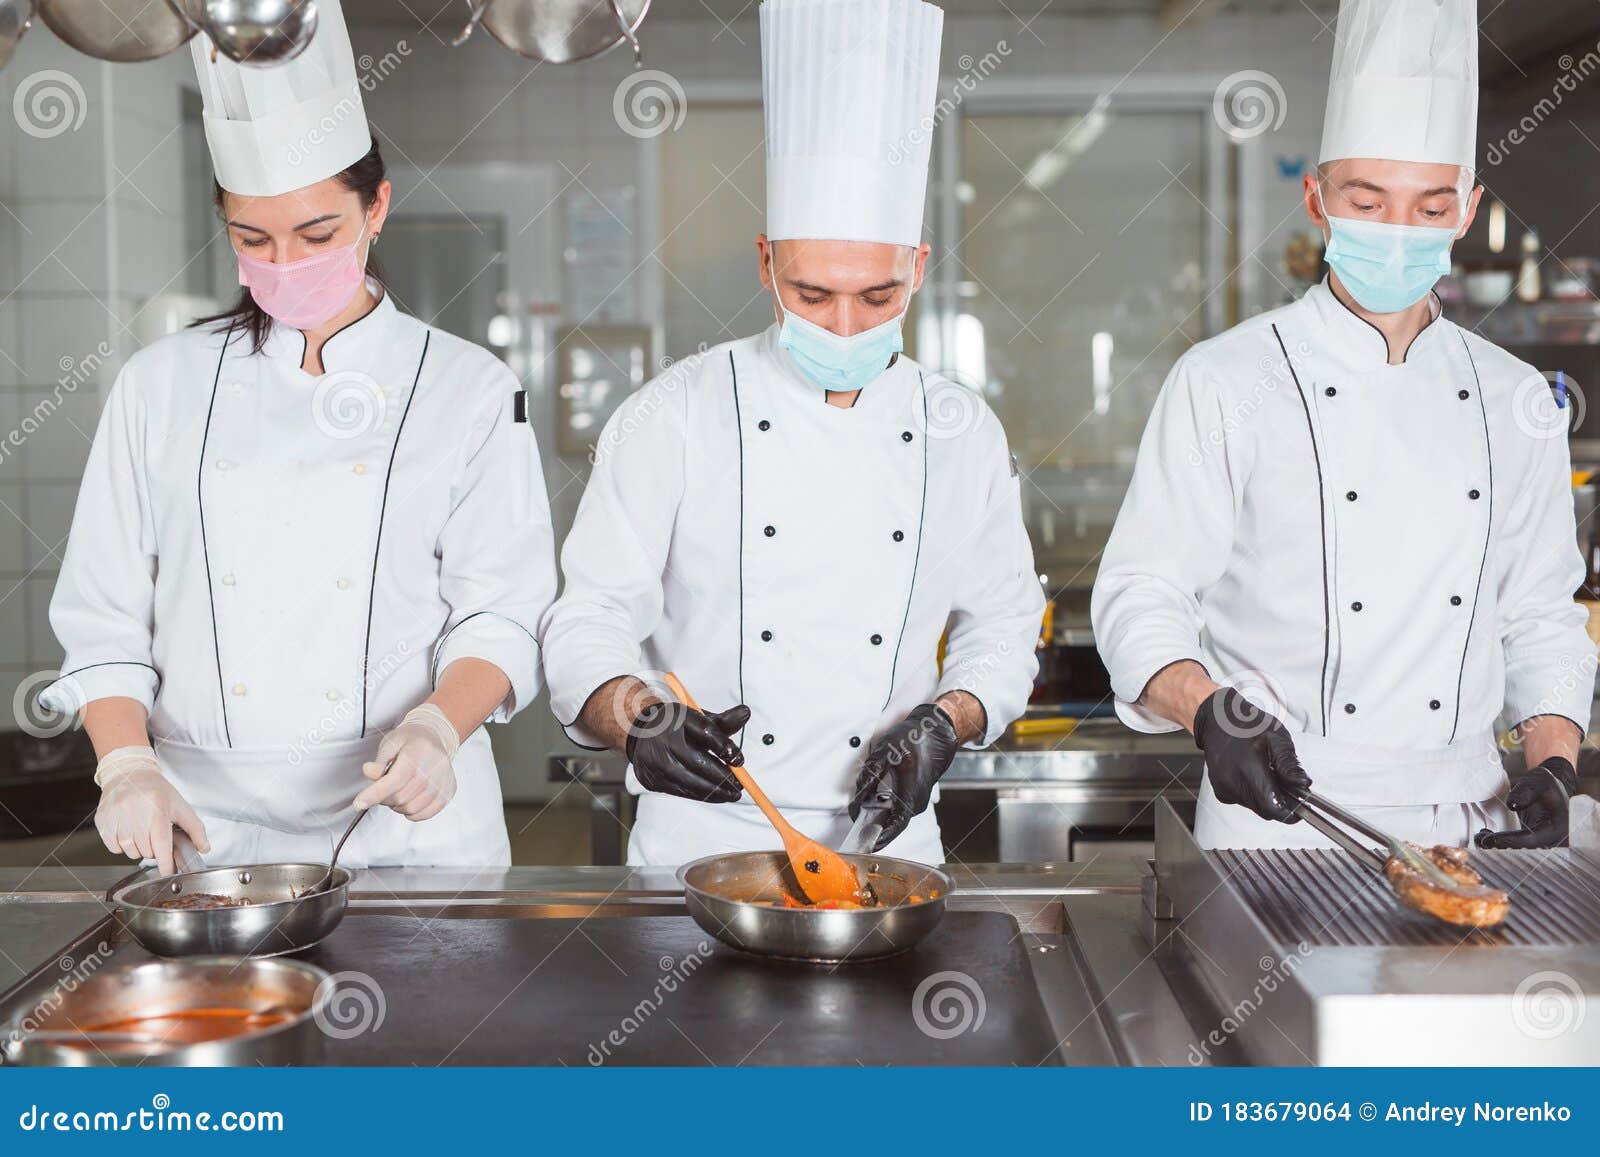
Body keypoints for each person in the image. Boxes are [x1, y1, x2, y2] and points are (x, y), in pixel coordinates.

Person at [40, 1, 555, 873]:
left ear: (376, 208)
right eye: (254, 238)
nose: (285, 263)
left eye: (317, 234)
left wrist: (438, 727)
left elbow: (502, 611)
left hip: (408, 824)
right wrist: (126, 765)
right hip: (206, 829)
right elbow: (103, 617)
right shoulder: (159, 384)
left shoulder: (469, 387)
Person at [540, 0, 1043, 867]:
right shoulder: (673, 414)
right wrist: (636, 714)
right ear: (767, 262)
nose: (845, 326)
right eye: (813, 294)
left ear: (918, 268)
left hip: (890, 845)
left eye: (877, 296)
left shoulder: (961, 431)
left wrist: (947, 719)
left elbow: (1002, 621)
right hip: (697, 848)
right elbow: (588, 615)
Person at [1092, 0, 1593, 850]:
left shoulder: (1517, 400)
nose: (1398, 232)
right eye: (1368, 200)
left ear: (1467, 209)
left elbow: (1541, 615)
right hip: (1277, 814)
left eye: (1429, 208)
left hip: (1465, 820)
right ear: (1317, 198)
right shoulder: (1224, 380)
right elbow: (1143, 594)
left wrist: (1554, 762)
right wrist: (1209, 711)